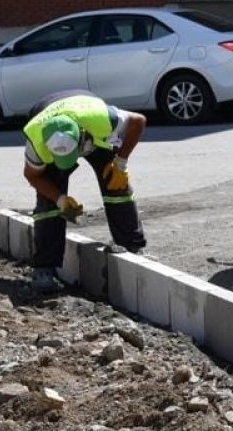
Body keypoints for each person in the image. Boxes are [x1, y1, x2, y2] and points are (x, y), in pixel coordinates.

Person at [22, 91, 147, 292]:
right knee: (48, 199)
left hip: (86, 113)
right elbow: (32, 175)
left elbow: (138, 121)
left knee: (115, 182)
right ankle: (44, 268)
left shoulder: (100, 119)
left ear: (81, 134)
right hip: (45, 113)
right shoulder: (37, 141)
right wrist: (60, 198)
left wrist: (121, 162)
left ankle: (132, 246)